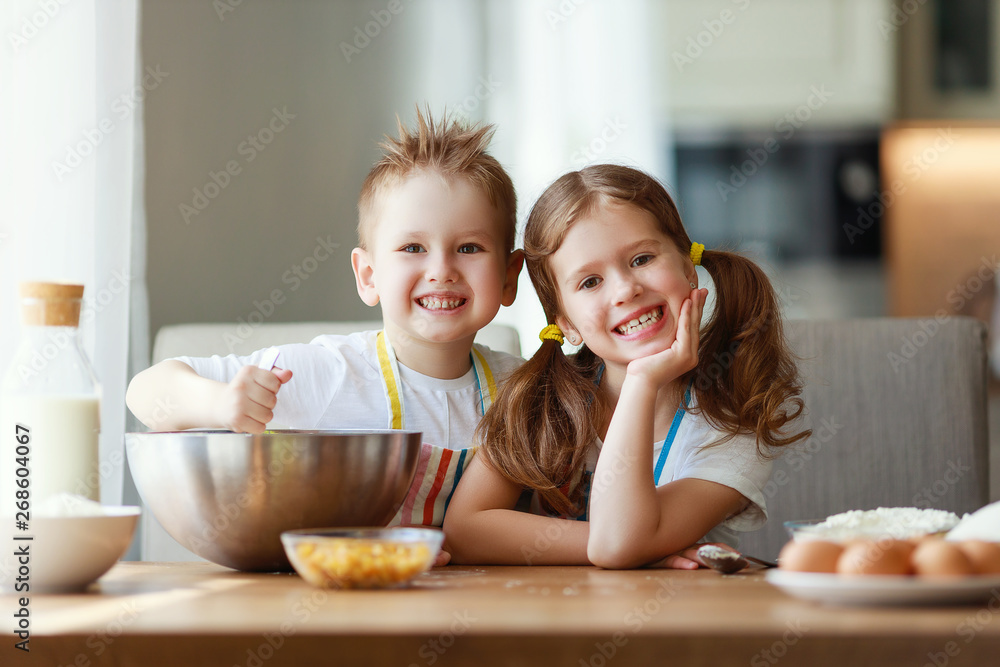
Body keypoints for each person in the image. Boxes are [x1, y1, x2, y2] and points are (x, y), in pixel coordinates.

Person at [126, 109, 524, 530]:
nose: (441, 270)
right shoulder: (327, 374)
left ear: (508, 278)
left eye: (468, 248)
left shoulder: (524, 387)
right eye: (412, 248)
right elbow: (145, 392)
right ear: (368, 277)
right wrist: (220, 404)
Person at [444, 164, 809, 568]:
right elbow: (464, 530)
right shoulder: (540, 400)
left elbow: (617, 544)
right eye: (590, 282)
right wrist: (641, 545)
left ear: (689, 268)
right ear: (566, 323)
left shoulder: (732, 423)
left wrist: (642, 382)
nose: (625, 289)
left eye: (642, 258)